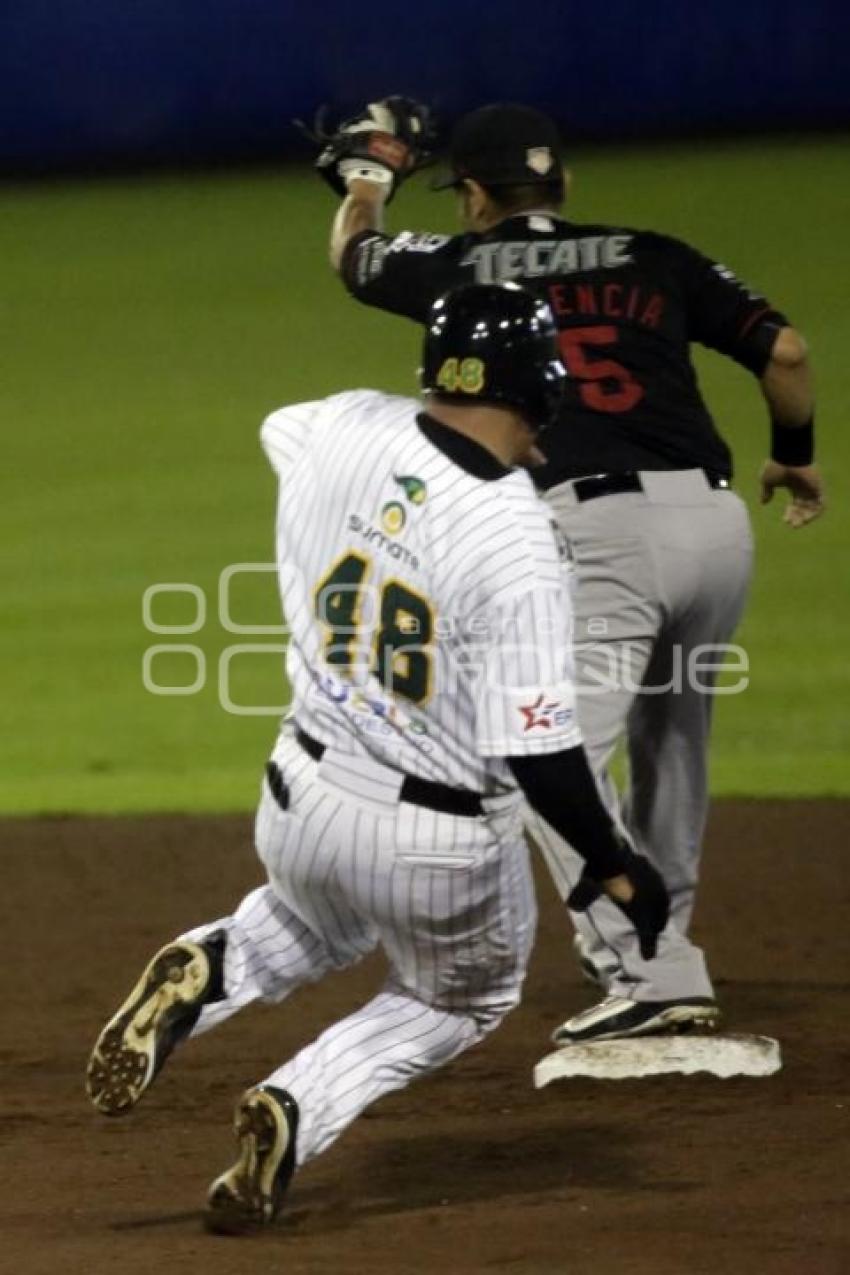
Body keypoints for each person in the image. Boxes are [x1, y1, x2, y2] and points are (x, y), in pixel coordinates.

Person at [86, 283, 669, 1234]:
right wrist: (616, 865)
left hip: (299, 791)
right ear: (535, 386)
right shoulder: (519, 537)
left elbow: (287, 431)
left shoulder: (342, 423)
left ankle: (213, 962)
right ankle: (299, 1102)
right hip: (434, 839)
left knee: (317, 914)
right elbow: (543, 755)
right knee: (462, 999)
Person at [317, 99, 825, 1044]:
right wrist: (794, 450)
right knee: (674, 747)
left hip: (593, 540)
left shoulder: (458, 262)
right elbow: (785, 350)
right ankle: (662, 947)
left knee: (545, 756)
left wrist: (368, 179)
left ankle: (650, 971)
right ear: (565, 183)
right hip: (713, 529)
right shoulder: (655, 253)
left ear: (472, 196)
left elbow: (354, 254)